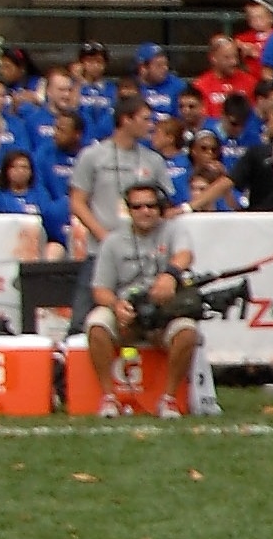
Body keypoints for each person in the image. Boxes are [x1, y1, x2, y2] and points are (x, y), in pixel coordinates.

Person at [84, 174, 198, 408]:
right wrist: (116, 306)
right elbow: (100, 289)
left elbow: (185, 254)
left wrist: (170, 275)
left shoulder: (173, 230)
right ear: (129, 210)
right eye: (137, 206)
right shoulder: (112, 241)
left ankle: (169, 399)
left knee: (187, 330)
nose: (145, 211)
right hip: (126, 309)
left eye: (151, 205)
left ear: (160, 208)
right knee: (96, 325)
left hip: (164, 308)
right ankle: (109, 397)